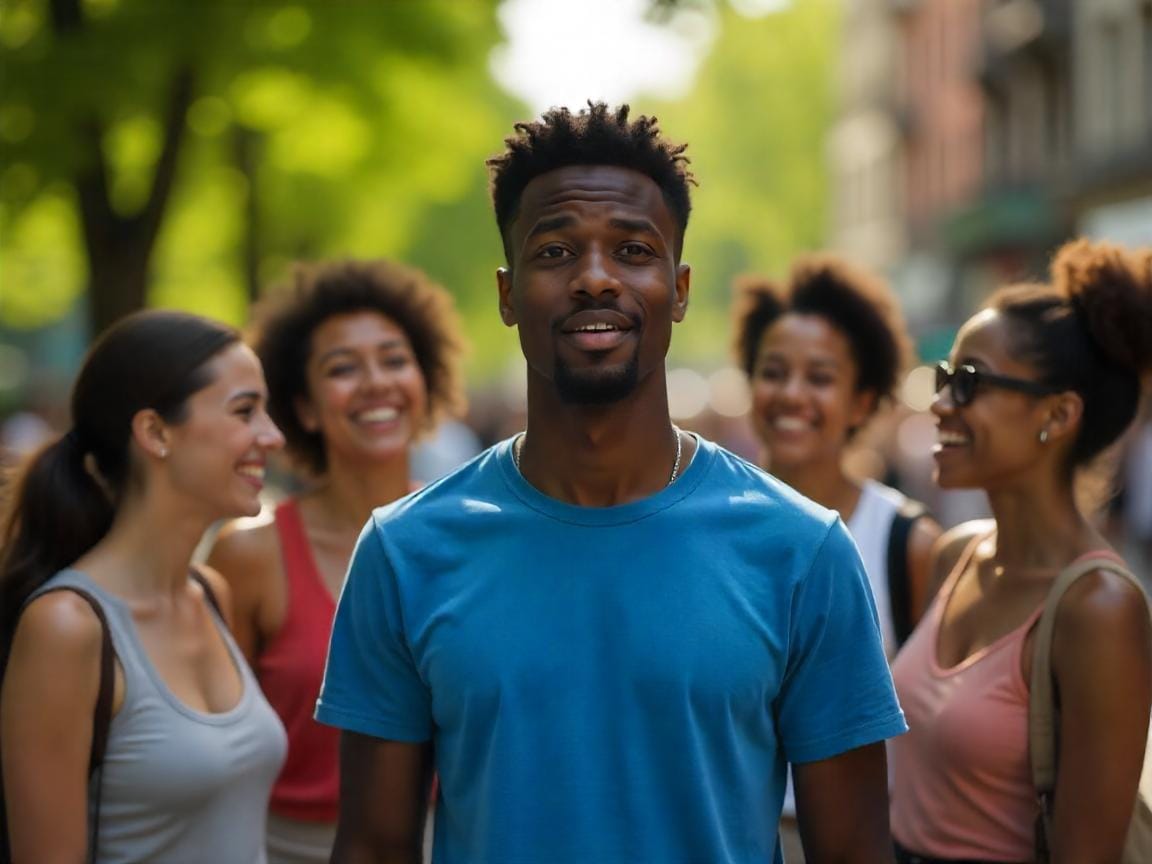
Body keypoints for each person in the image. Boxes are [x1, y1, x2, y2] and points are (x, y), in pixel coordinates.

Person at [315, 102, 907, 864]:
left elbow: (856, 853)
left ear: (680, 288)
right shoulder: (405, 550)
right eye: (556, 251)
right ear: (506, 293)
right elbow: (371, 846)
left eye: (633, 249)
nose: (595, 279)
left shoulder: (802, 550)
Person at [889, 239, 1152, 862]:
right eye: (945, 377)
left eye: (968, 382)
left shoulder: (1100, 608)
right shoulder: (954, 556)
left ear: (1058, 415)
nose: (939, 401)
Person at [0, 310, 288, 864]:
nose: (271, 436)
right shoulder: (67, 627)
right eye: (245, 411)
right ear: (155, 432)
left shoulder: (212, 594)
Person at [206, 260, 465, 863]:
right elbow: (215, 757)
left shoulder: (475, 536)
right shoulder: (249, 553)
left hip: (455, 839)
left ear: (425, 383)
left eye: (395, 360)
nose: (376, 382)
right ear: (304, 406)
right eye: (343, 368)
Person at [732, 256, 942, 862]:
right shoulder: (708, 529)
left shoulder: (908, 543)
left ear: (862, 401)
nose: (792, 394)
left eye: (819, 377)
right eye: (774, 372)